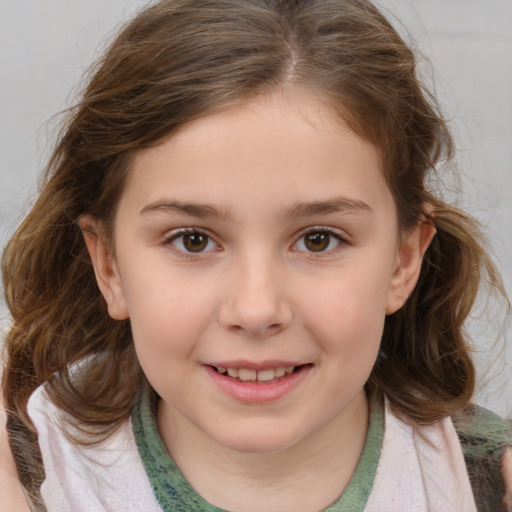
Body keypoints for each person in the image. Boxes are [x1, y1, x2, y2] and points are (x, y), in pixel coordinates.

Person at [1, 0, 511, 510]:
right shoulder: (28, 478)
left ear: (402, 262)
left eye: (318, 239)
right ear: (109, 266)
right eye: (192, 240)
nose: (256, 309)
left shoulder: (489, 483)